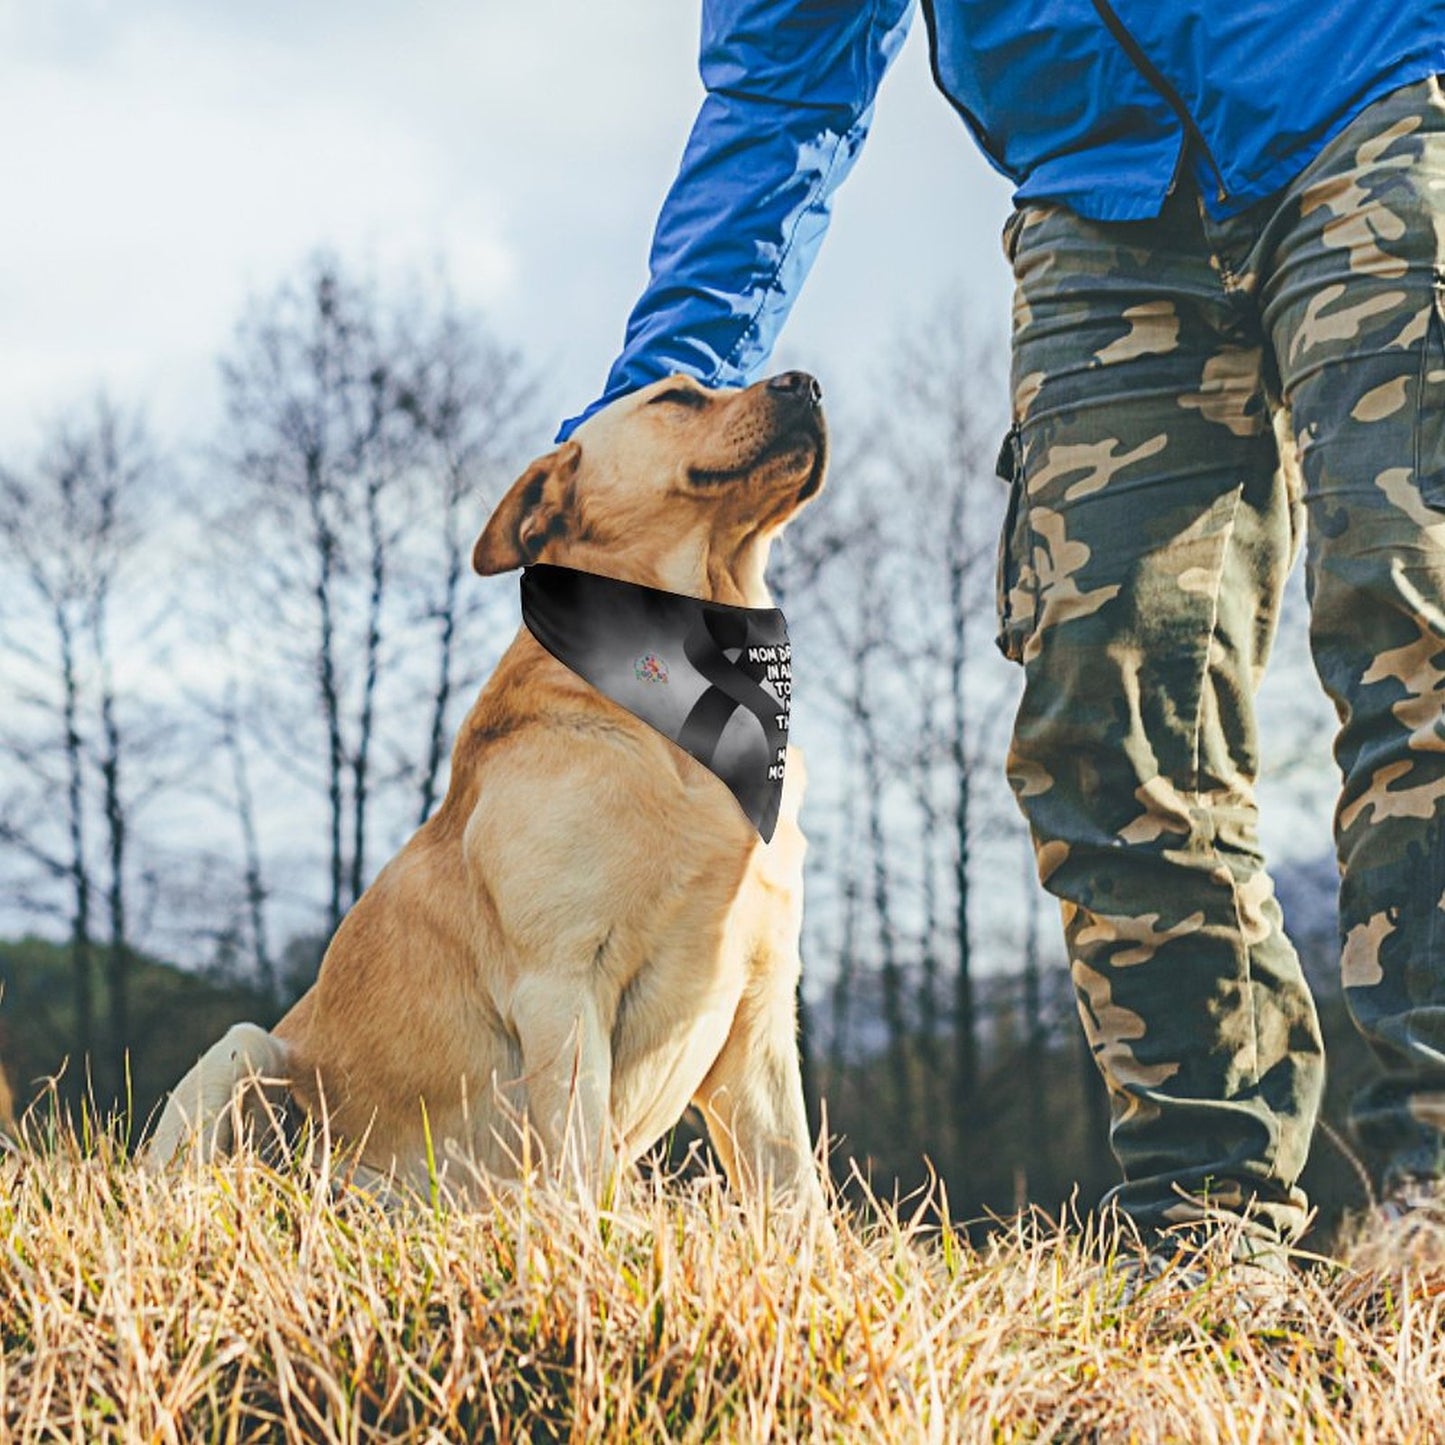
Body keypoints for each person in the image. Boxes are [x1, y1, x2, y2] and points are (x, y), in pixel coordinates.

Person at [559, 0, 1445, 1269]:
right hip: (1101, 200)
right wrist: (651, 420)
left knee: (1412, 622)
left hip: (1368, 86)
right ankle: (1206, 1227)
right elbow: (779, 92)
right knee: (1105, 719)